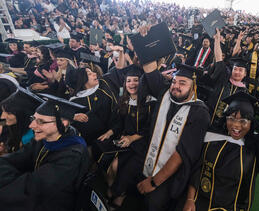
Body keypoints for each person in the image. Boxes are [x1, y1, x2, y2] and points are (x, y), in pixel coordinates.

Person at [137, 60, 210, 210]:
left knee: (153, 203)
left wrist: (153, 182)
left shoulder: (200, 113)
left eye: (182, 83)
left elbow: (182, 153)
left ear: (193, 87)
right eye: (174, 81)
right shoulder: (166, 95)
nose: (176, 86)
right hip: (149, 156)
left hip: (174, 173)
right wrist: (144, 39)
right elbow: (150, 71)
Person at [0, 93, 89, 211]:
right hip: (35, 193)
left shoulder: (72, 155)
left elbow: (32, 187)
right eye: (33, 119)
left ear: (63, 123)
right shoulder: (44, 138)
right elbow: (15, 159)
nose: (31, 125)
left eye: (41, 121)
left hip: (53, 203)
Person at [100, 65, 156, 209]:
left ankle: (118, 194)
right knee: (112, 166)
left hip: (144, 144)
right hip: (127, 142)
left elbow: (151, 127)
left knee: (126, 171)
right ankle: (115, 193)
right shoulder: (124, 100)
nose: (132, 84)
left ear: (141, 82)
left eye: (136, 80)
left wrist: (132, 138)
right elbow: (119, 123)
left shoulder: (150, 102)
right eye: (129, 81)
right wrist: (110, 132)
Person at [0, 87, 44, 154]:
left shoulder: (34, 139)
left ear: (24, 115)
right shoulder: (14, 126)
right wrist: (5, 151)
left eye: (9, 113)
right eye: (3, 111)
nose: (2, 116)